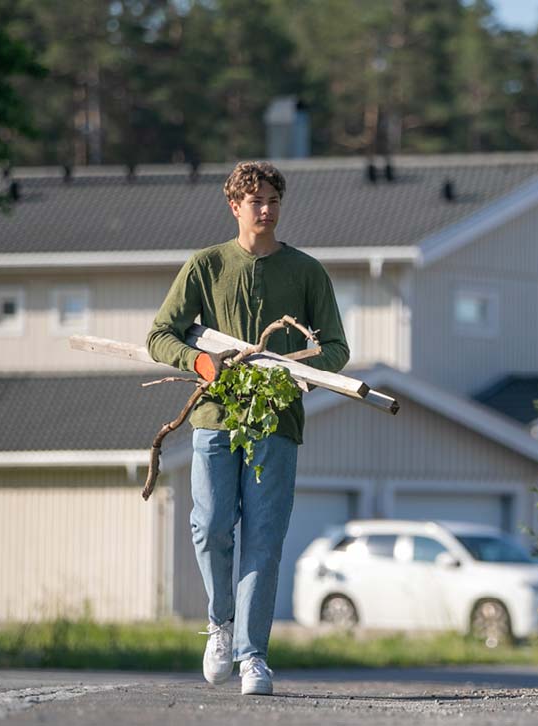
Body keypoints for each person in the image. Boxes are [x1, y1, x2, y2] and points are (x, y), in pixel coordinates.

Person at [147, 161, 349, 696]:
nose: (266, 209)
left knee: (263, 539)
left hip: (277, 422)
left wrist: (306, 371)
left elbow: (336, 347)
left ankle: (253, 656)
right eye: (255, 200)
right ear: (234, 205)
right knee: (211, 525)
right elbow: (160, 336)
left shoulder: (306, 271)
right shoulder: (205, 266)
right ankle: (220, 624)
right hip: (215, 417)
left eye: (273, 201)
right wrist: (201, 364)